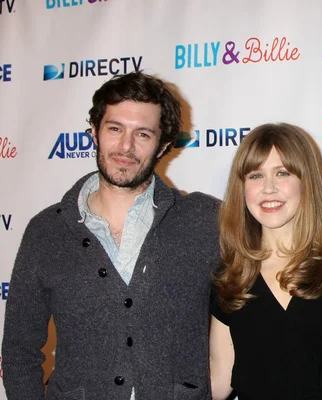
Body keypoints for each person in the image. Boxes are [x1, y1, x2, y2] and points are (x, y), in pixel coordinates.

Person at [2, 72, 219, 399]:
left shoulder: (204, 221)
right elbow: (19, 350)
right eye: (115, 129)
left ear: (162, 146)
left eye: (143, 134)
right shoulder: (46, 231)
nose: (126, 146)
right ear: (94, 132)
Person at [209, 123, 322, 400]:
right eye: (255, 175)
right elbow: (218, 381)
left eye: (282, 173)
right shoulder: (230, 277)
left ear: (307, 182)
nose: (268, 188)